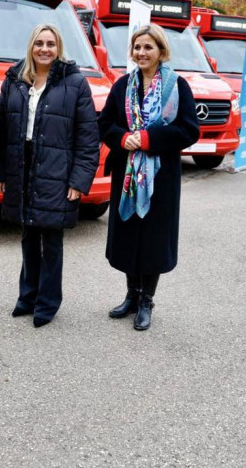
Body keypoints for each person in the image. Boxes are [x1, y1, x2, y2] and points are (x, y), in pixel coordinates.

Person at [98, 24, 200, 331]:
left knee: (153, 239)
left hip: (161, 178)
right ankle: (131, 295)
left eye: (148, 48)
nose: (142, 53)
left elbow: (188, 130)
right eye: (137, 47)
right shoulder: (122, 86)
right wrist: (122, 137)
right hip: (127, 175)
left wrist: (146, 139)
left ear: (161, 52)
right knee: (129, 235)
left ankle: (146, 301)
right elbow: (104, 123)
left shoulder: (176, 86)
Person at [0, 23, 99, 328]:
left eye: (50, 44)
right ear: (31, 46)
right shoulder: (14, 80)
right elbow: (3, 131)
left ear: (59, 48)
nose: (44, 49)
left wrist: (78, 181)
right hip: (23, 164)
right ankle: (27, 296)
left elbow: (88, 137)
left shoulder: (75, 82)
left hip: (57, 169)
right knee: (28, 235)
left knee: (51, 239)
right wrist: (4, 171)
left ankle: (48, 303)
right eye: (39, 43)